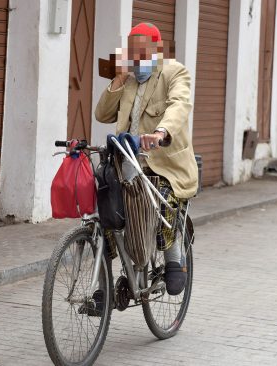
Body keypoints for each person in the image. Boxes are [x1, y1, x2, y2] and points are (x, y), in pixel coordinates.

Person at [94, 23, 199, 296]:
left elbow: (179, 105)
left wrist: (161, 131)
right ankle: (104, 282)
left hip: (163, 164)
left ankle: (174, 257)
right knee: (105, 205)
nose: (137, 61)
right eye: (133, 54)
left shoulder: (175, 72)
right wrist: (117, 79)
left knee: (163, 201)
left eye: (143, 54)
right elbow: (102, 115)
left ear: (156, 51)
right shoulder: (128, 79)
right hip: (127, 161)